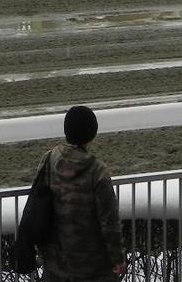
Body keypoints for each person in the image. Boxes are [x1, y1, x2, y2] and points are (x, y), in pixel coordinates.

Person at [38, 106, 126, 282]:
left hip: (56, 264)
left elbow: (39, 203)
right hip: (94, 267)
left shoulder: (49, 159)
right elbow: (109, 221)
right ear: (92, 133)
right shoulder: (98, 171)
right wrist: (117, 258)